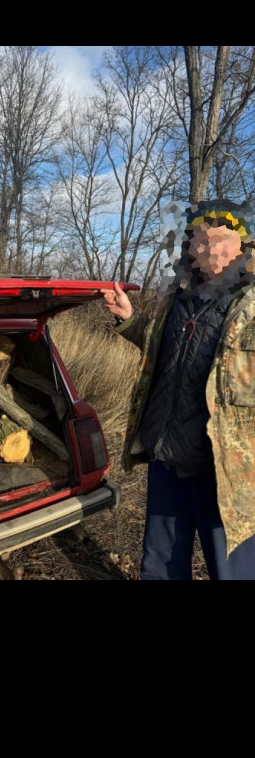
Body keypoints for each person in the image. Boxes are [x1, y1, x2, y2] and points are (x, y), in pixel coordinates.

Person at [101, 199, 255, 580]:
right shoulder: (177, 297)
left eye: (222, 241)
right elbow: (162, 353)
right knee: (160, 566)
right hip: (167, 453)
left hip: (223, 468)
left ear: (244, 246)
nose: (211, 251)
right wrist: (130, 320)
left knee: (233, 571)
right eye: (201, 242)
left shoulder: (250, 305)